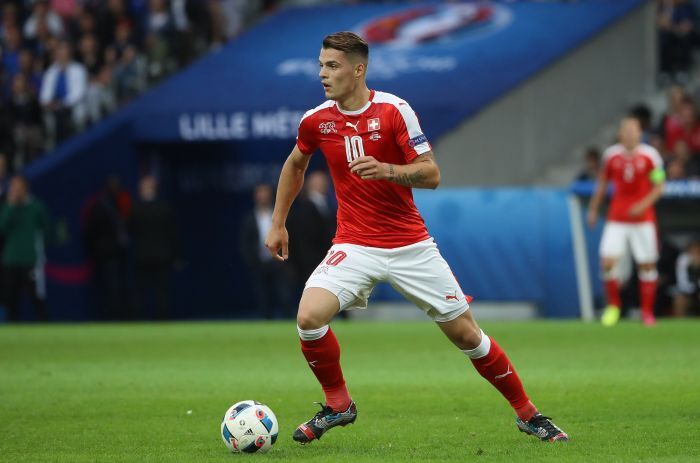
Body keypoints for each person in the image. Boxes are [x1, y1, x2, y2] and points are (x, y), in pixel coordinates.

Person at [264, 31, 568, 444]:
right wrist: (278, 222)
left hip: (410, 246)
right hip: (354, 244)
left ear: (359, 69)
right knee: (308, 319)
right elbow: (295, 164)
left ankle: (529, 414)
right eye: (320, 65)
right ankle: (338, 404)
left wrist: (386, 170)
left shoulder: (394, 111)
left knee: (467, 336)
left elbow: (431, 173)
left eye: (332, 66)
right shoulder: (316, 120)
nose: (323, 74)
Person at [587, 117, 666, 326]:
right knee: (607, 262)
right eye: (626, 130)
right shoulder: (611, 155)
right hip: (617, 218)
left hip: (643, 219)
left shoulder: (651, 155)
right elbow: (602, 184)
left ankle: (647, 313)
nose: (630, 134)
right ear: (620, 134)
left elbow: (659, 186)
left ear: (640, 133)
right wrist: (593, 209)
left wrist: (643, 205)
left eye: (634, 130)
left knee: (647, 265)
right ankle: (614, 307)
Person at [239, 183, 294, 319]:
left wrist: (287, 258)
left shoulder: (280, 216)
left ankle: (288, 322)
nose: (263, 197)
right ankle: (265, 322)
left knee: (284, 296)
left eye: (265, 194)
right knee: (263, 298)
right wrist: (252, 261)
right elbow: (246, 241)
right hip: (260, 264)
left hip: (279, 263)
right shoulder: (250, 218)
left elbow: (290, 237)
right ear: (255, 197)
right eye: (260, 194)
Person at [129, 174, 180, 320]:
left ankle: (139, 320)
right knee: (160, 291)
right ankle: (162, 319)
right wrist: (176, 255)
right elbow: (173, 234)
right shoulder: (164, 207)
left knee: (143, 291)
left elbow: (129, 230)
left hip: (143, 255)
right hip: (161, 255)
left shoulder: (136, 208)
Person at [0, 175, 50, 322]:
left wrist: (38, 250)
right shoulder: (7, 207)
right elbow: (1, 228)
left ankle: (45, 328)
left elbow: (47, 231)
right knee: (11, 300)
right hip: (11, 260)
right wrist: (10, 207)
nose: (15, 190)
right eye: (12, 187)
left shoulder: (36, 207)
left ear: (26, 188)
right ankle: (12, 328)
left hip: (31, 260)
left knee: (37, 297)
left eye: (18, 187)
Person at [673, 239, 700, 316]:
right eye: (693, 249)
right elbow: (682, 279)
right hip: (687, 289)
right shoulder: (683, 259)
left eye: (697, 250)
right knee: (679, 299)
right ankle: (679, 321)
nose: (695, 252)